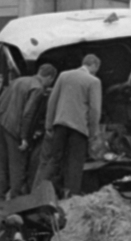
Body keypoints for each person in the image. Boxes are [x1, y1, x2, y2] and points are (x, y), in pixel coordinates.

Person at [0, 64, 57, 200]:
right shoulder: (37, 88)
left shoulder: (18, 81)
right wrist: (24, 137)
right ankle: (16, 200)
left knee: (0, 164)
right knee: (17, 166)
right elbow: (28, 113)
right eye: (51, 81)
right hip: (14, 129)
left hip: (0, 124)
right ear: (49, 78)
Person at [42, 54, 102, 199]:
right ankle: (71, 197)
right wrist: (93, 132)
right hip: (79, 128)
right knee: (75, 163)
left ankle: (41, 191)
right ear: (93, 65)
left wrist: (49, 124)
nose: (96, 71)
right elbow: (95, 110)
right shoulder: (93, 81)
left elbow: (52, 101)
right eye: (97, 68)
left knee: (54, 159)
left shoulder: (64, 75)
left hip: (60, 124)